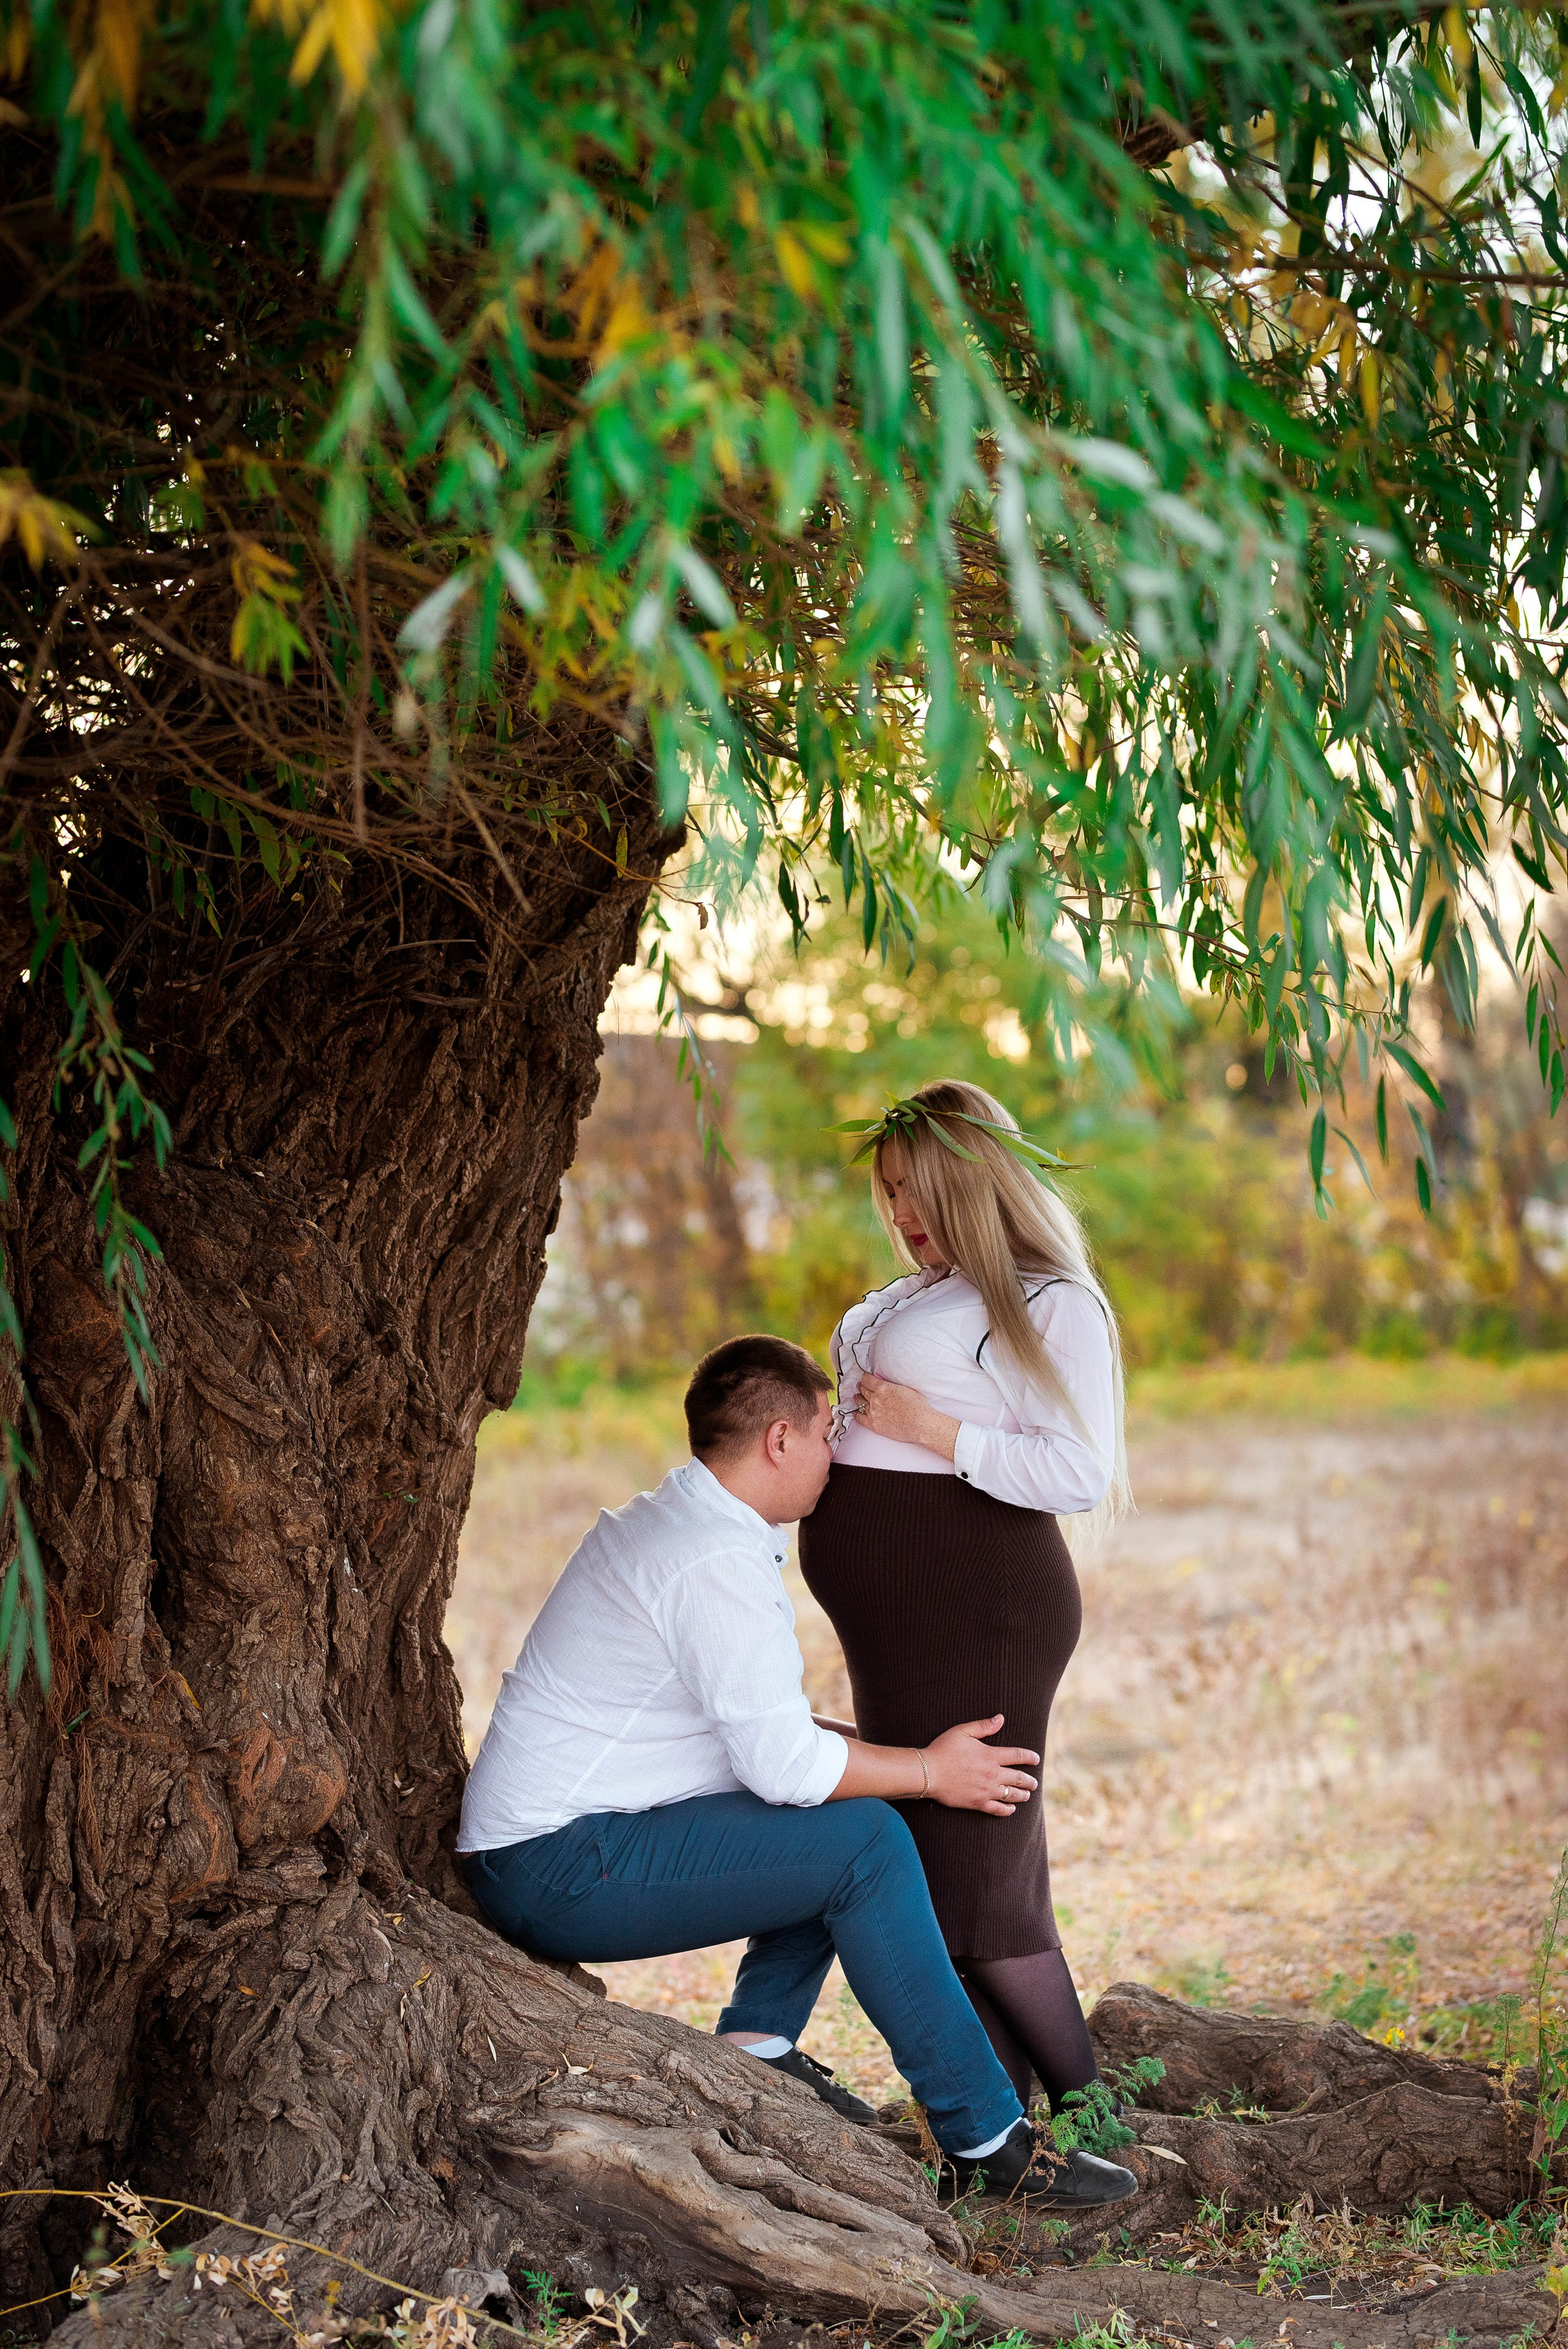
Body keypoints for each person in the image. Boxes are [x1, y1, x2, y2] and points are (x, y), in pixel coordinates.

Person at [459, 1331, 1136, 2209]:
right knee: (865, 1841)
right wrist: (929, 1773)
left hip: (561, 1842)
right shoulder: (711, 1562)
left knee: (835, 1811)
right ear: (779, 1442)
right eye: (826, 1431)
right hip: (552, 1868)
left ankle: (761, 2045)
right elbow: (784, 1767)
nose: (837, 1453)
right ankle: (987, 2139)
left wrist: (888, 1758)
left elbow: (758, 1736)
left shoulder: (686, 1521)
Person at [799, 1079, 1131, 2155]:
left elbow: (1078, 1469)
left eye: (923, 1192)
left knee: (984, 1880)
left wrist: (935, 1430)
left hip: (980, 1605)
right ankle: (1001, 2136)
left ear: (980, 1185)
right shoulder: (912, 1294)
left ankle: (1092, 2123)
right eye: (891, 1193)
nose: (903, 1214)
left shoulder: (1049, 1302)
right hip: (897, 1622)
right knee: (942, 1875)